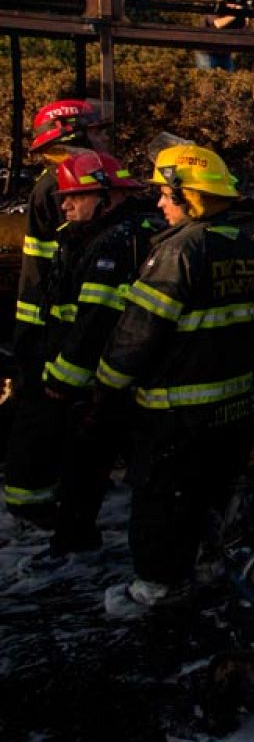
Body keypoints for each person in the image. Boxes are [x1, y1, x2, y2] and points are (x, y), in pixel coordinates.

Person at [94, 144, 254, 606]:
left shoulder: (177, 253)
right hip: (231, 413)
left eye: (166, 195)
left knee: (162, 504)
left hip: (175, 415)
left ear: (189, 196)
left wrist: (105, 387)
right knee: (213, 499)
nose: (159, 204)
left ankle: (156, 589)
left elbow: (136, 334)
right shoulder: (245, 248)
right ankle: (211, 571)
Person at [20, 152, 154, 555]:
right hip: (103, 375)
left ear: (108, 196)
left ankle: (74, 542)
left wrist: (63, 380)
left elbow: (93, 324)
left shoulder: (113, 244)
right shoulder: (98, 235)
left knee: (86, 462)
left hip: (99, 379)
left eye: (76, 196)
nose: (65, 205)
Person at [5, 99, 111, 527]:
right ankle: (31, 502)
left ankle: (35, 495)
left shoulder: (52, 182)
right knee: (43, 411)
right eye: (97, 131)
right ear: (72, 134)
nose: (103, 137)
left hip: (44, 320)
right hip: (51, 323)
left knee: (45, 411)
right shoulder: (62, 188)